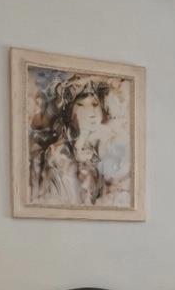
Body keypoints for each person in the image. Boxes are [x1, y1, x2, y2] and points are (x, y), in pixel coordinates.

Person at [29, 75, 130, 207]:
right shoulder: (59, 155)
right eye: (82, 105)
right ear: (69, 112)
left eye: (95, 104)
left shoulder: (97, 152)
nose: (92, 112)